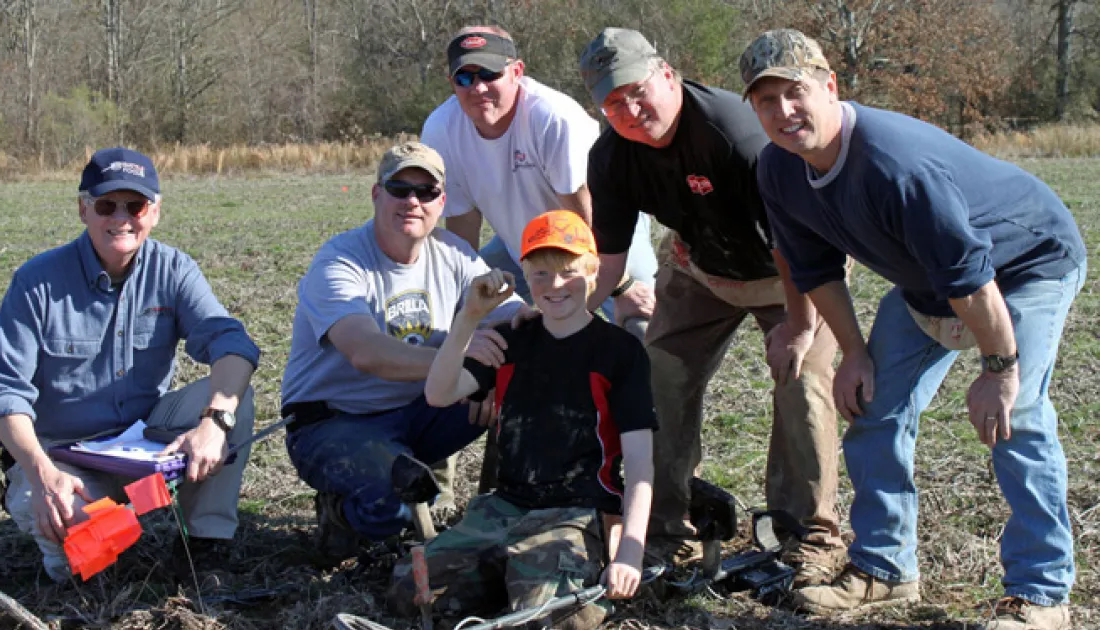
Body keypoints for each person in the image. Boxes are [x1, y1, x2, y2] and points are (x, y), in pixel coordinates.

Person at [741, 29, 1087, 629]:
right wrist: (853, 353)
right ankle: (885, 569)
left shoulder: (893, 164)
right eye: (766, 102)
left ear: (830, 86)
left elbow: (974, 283)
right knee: (872, 405)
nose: (783, 112)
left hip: (1026, 263)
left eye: (794, 93)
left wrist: (999, 369)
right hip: (934, 280)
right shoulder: (779, 170)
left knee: (1017, 415)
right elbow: (813, 268)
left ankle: (1041, 593)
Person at [578, 27, 844, 582]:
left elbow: (795, 242)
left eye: (636, 90)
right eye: (612, 101)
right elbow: (608, 261)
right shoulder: (610, 157)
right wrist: (563, 318)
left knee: (802, 377)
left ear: (667, 76)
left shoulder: (734, 135)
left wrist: (799, 326)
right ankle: (663, 526)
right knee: (657, 377)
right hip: (702, 269)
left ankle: (807, 535)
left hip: (790, 268)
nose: (628, 108)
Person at [0, 146, 260, 582]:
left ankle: (204, 547)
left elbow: (231, 341)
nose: (121, 218)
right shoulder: (36, 282)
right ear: (83, 209)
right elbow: (3, 394)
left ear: (156, 212)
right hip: (61, 459)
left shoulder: (174, 270)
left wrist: (214, 423)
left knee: (231, 398)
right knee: (83, 565)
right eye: (107, 205)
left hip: (140, 444)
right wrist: (40, 473)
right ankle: (74, 528)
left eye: (136, 205)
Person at [388, 210, 655, 629]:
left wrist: (630, 554)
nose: (555, 285)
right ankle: (509, 577)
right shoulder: (511, 339)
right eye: (541, 274)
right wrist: (469, 318)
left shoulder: (620, 352)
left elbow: (640, 466)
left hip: (575, 512)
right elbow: (438, 393)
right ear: (525, 275)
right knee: (409, 591)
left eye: (568, 272)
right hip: (504, 507)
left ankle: (540, 581)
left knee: (552, 620)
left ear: (593, 270)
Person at [280, 142, 526, 558]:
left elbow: (515, 319)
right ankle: (340, 511)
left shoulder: (454, 254)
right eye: (400, 188)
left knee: (520, 391)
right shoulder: (341, 263)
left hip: (417, 413)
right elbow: (366, 352)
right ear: (377, 194)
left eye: (426, 192)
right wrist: (462, 363)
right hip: (334, 423)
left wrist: (497, 379)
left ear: (441, 202)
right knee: (397, 507)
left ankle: (505, 510)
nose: (413, 201)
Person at [421, 25, 658, 326]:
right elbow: (462, 230)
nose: (477, 88)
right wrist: (466, 305)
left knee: (639, 320)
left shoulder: (552, 118)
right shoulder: (441, 130)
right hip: (524, 245)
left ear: (517, 71)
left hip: (603, 231)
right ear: (451, 82)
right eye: (464, 78)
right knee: (467, 308)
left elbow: (585, 217)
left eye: (490, 74)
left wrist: (621, 285)